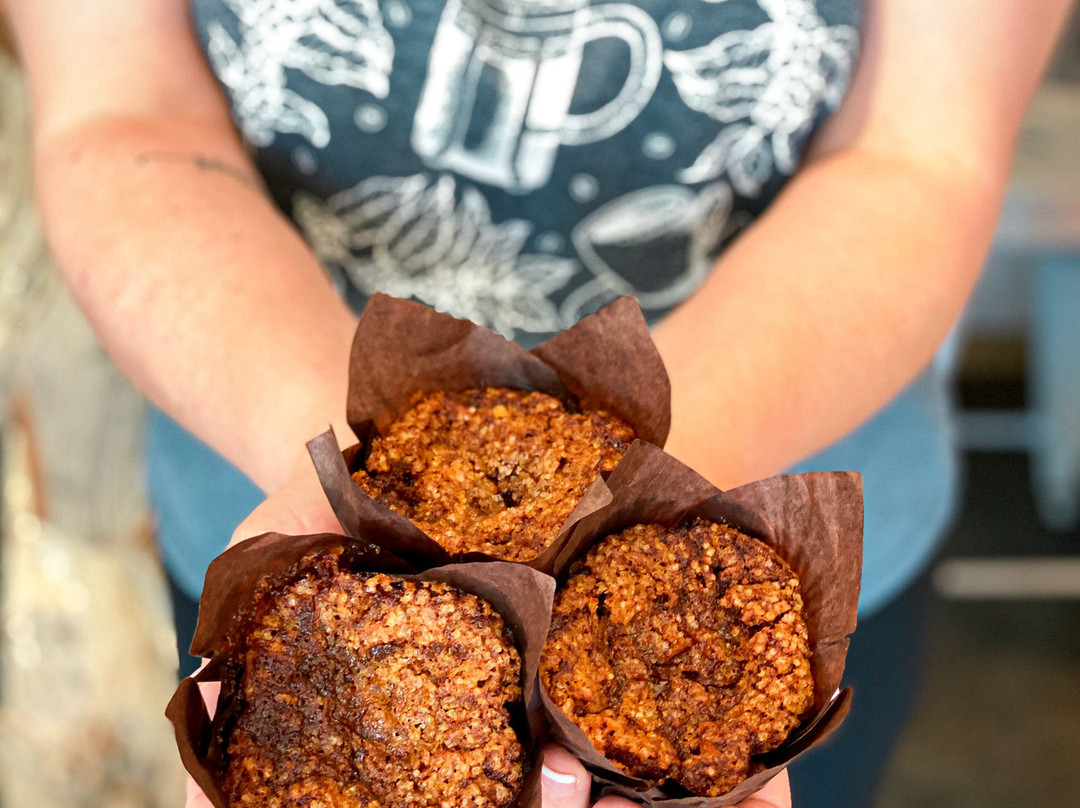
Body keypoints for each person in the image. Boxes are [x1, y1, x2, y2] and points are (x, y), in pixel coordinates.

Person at [3, 0, 1073, 806]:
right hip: (274, 507)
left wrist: (660, 495)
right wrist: (328, 478)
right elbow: (127, 112)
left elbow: (916, 151)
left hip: (786, 517)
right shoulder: (302, 573)